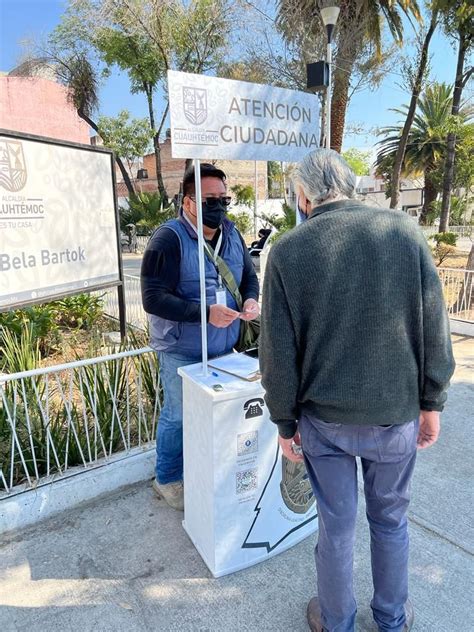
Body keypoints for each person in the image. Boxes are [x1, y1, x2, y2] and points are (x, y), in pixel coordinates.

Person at [259, 149, 455, 632]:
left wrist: (284, 423)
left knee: (337, 525)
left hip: (324, 423)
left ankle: (337, 621)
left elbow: (277, 355)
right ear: (351, 184)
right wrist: (433, 401)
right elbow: (435, 327)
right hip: (394, 416)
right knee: (391, 521)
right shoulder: (404, 233)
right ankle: (391, 619)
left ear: (302, 195)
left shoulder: (288, 250)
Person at [141, 163, 260, 511]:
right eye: (210, 199)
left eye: (224, 198)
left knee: (220, 416)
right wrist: (204, 313)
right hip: (182, 350)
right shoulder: (168, 239)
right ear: (188, 201)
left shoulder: (232, 233)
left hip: (227, 350)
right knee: (178, 417)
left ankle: (210, 471)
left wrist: (251, 298)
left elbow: (248, 277)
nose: (219, 205)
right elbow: (153, 298)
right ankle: (166, 479)